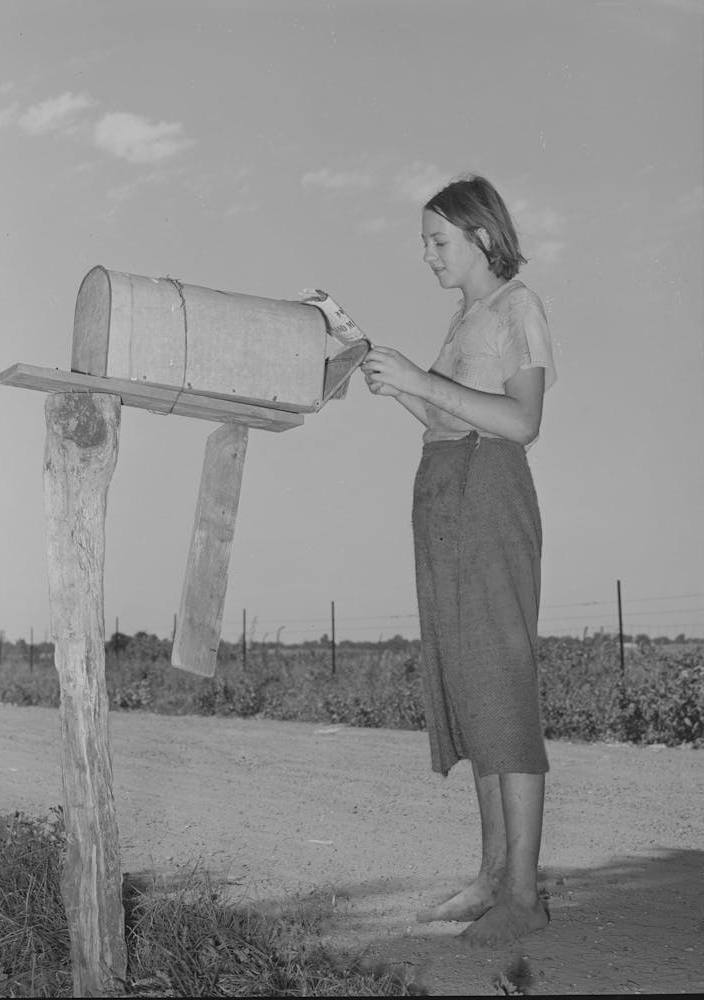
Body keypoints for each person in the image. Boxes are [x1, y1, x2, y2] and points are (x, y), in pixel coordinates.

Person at [361, 174, 557, 947]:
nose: (427, 255)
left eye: (437, 241)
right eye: (423, 243)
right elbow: (447, 413)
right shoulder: (466, 316)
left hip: (490, 492)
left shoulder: (518, 306)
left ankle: (524, 893)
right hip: (445, 489)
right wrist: (395, 385)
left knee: (501, 683)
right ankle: (490, 877)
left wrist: (420, 379)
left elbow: (523, 420)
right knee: (470, 685)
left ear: (481, 236)